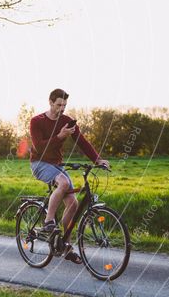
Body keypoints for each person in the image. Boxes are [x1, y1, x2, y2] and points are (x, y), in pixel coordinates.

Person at [28, 88, 110, 264]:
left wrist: (97, 159)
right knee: (64, 183)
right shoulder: (36, 121)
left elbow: (82, 141)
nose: (62, 108)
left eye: (64, 105)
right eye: (58, 105)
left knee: (73, 204)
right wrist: (59, 136)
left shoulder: (66, 121)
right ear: (50, 102)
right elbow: (39, 148)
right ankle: (48, 220)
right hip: (39, 163)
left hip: (56, 165)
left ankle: (65, 245)